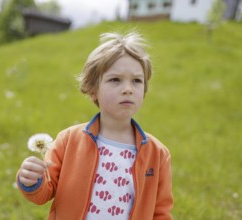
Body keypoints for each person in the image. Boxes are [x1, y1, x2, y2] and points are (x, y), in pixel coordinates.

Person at [16, 31, 173, 220]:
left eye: (137, 81)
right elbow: (44, 192)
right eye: (115, 80)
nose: (128, 89)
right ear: (92, 91)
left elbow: (161, 212)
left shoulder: (157, 154)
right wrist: (32, 180)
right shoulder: (68, 141)